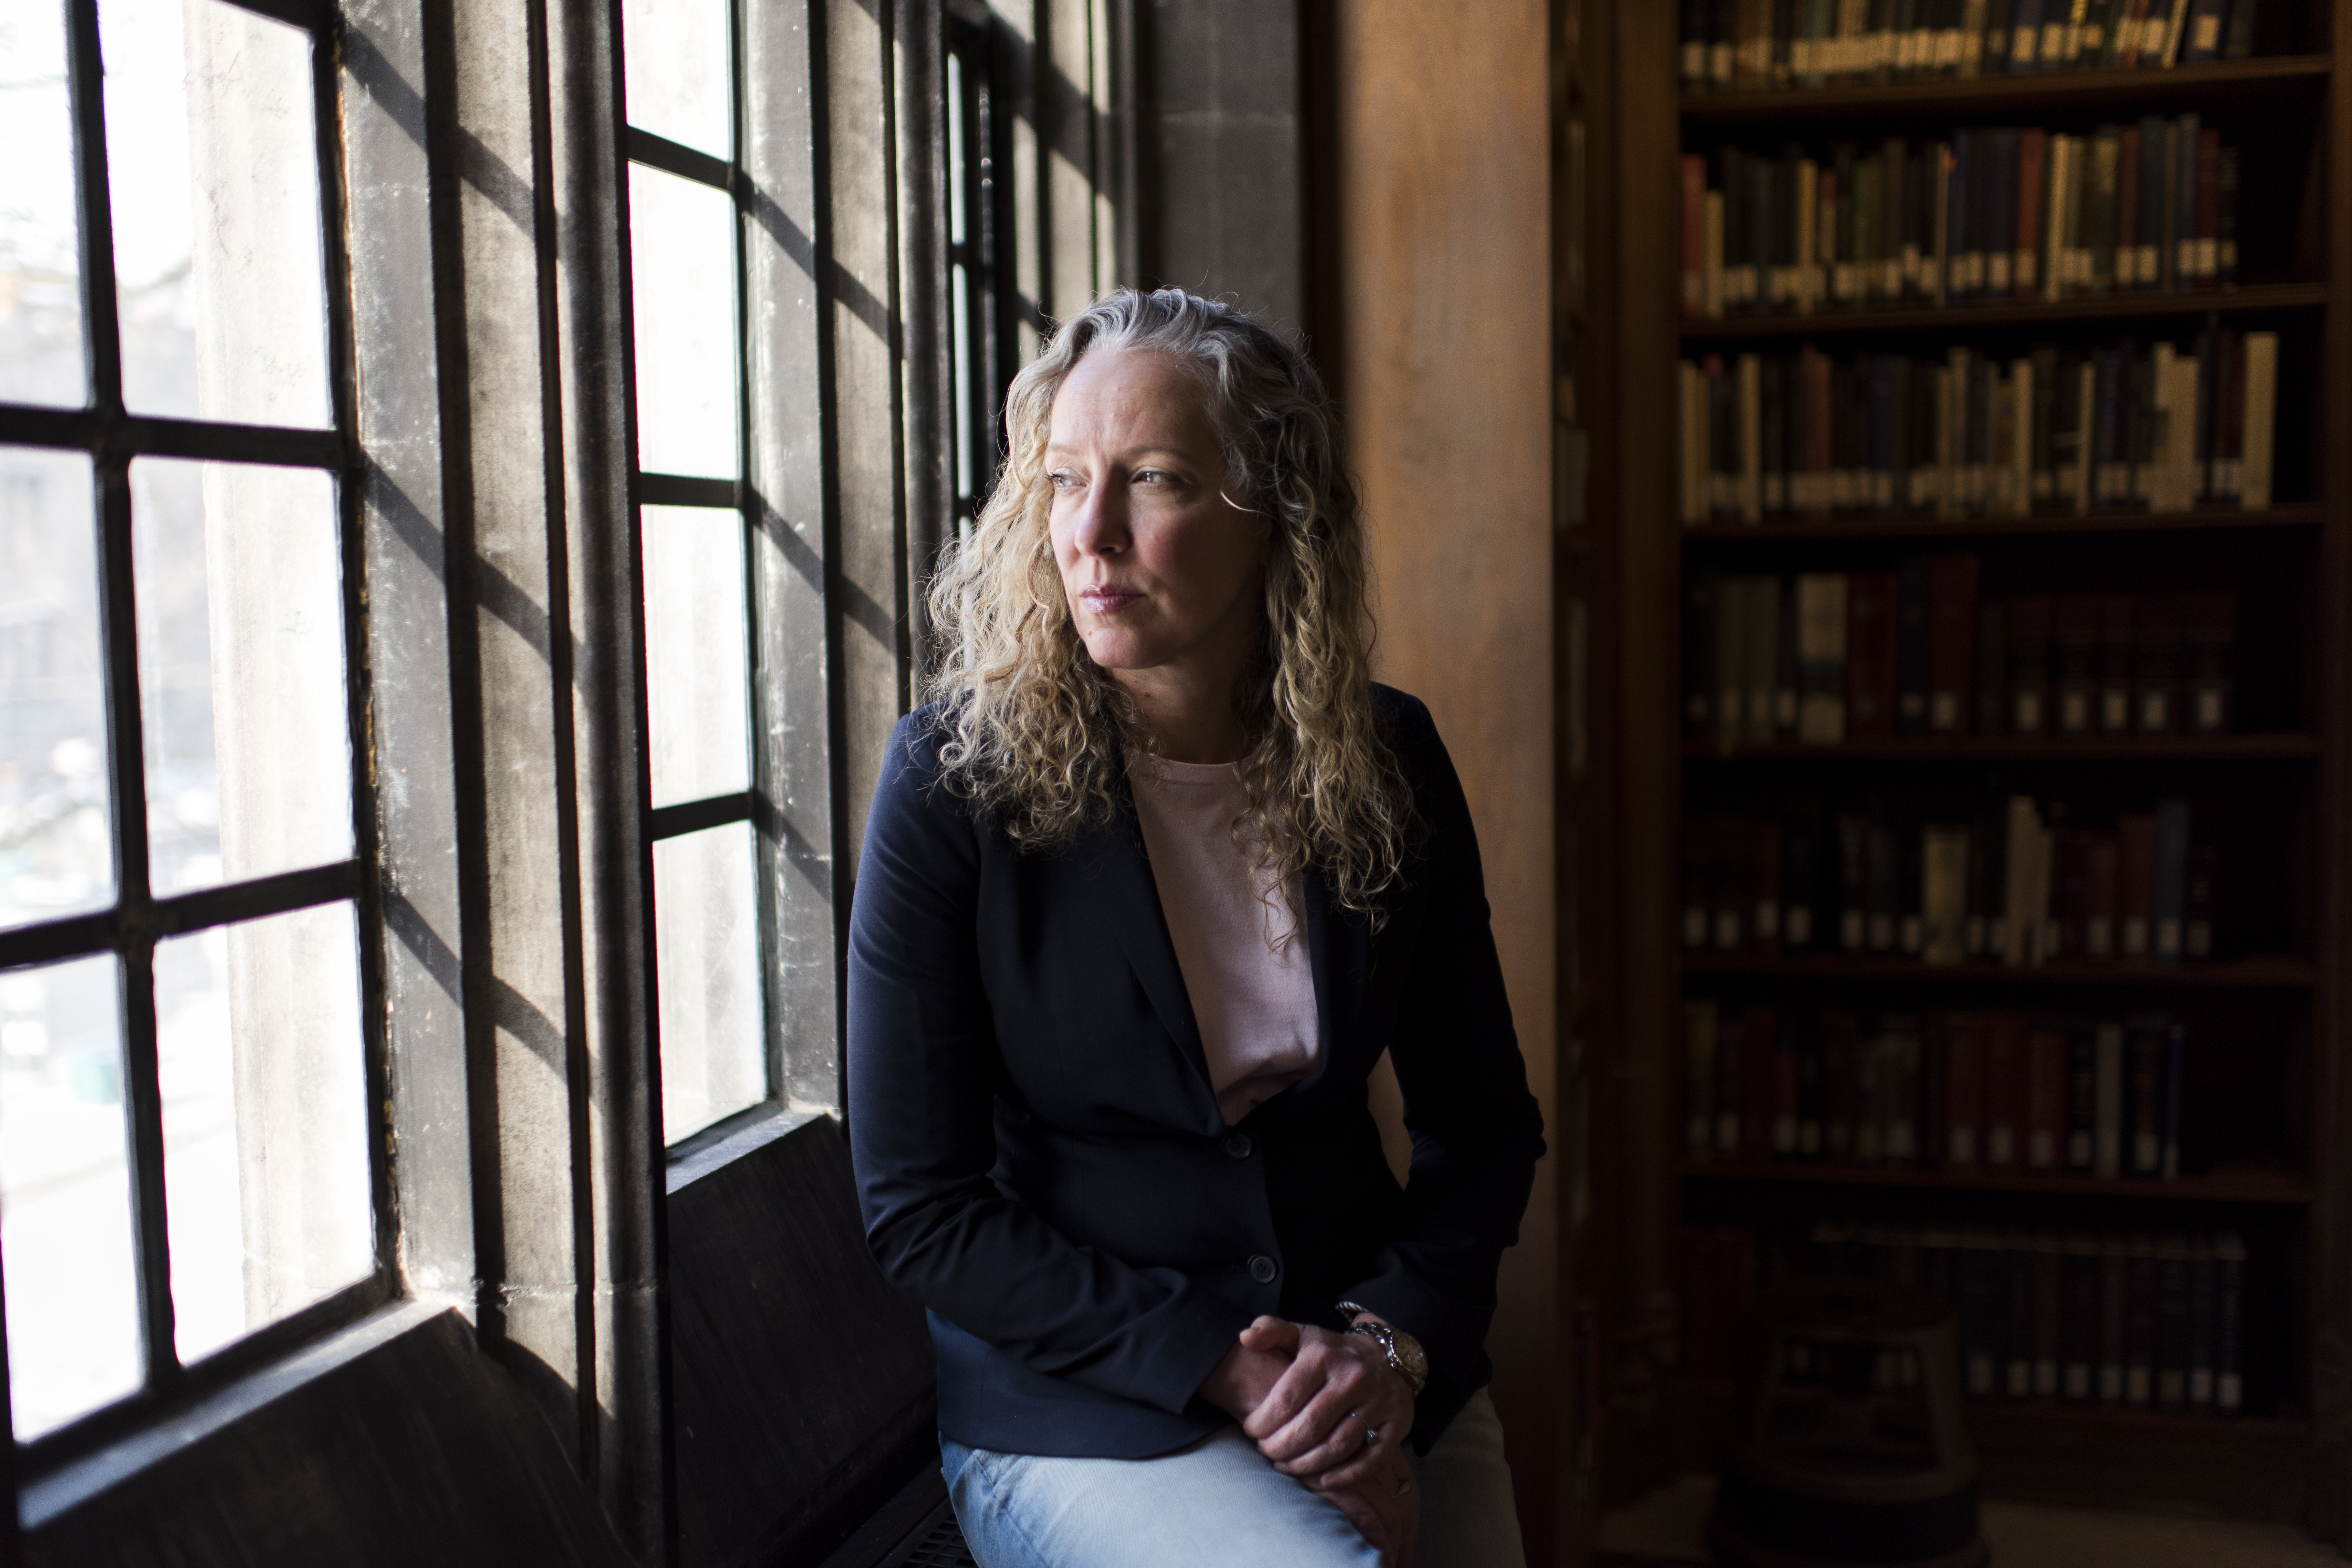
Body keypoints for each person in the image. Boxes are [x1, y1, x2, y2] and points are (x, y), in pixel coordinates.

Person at [847, 287, 1544, 1568]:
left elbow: (1484, 1125)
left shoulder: (1390, 758)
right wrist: (1230, 1370)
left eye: (1153, 481)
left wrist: (1385, 1348)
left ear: (1274, 511)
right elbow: (921, 1207)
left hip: (1359, 1360)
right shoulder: (953, 782)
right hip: (1089, 1403)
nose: (1089, 534)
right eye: (1063, 482)